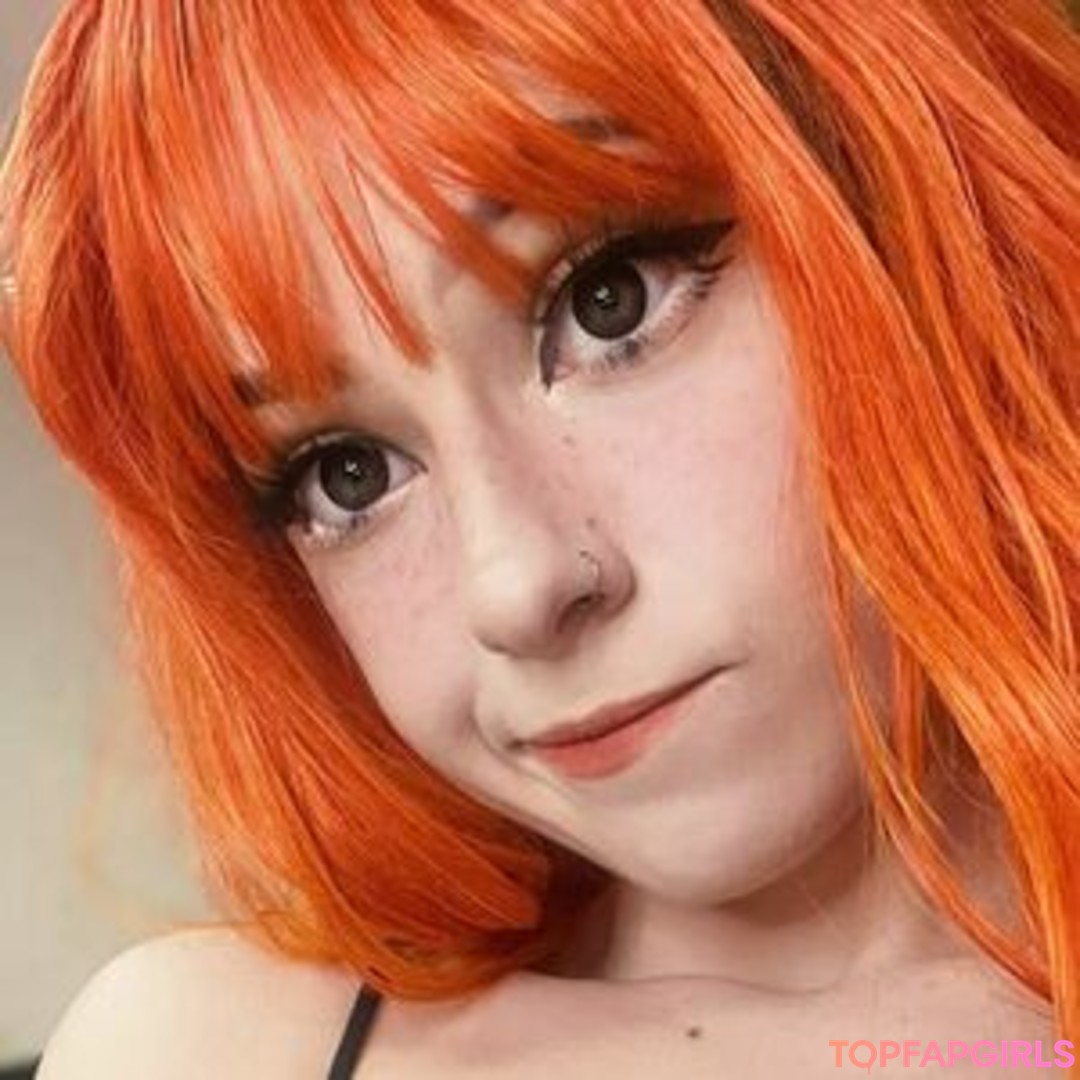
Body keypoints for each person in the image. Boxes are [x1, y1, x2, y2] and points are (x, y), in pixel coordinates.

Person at [2, 0, 1077, 1075]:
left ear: (908, 192)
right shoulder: (208, 1055)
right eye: (344, 475)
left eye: (610, 303)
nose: (512, 585)